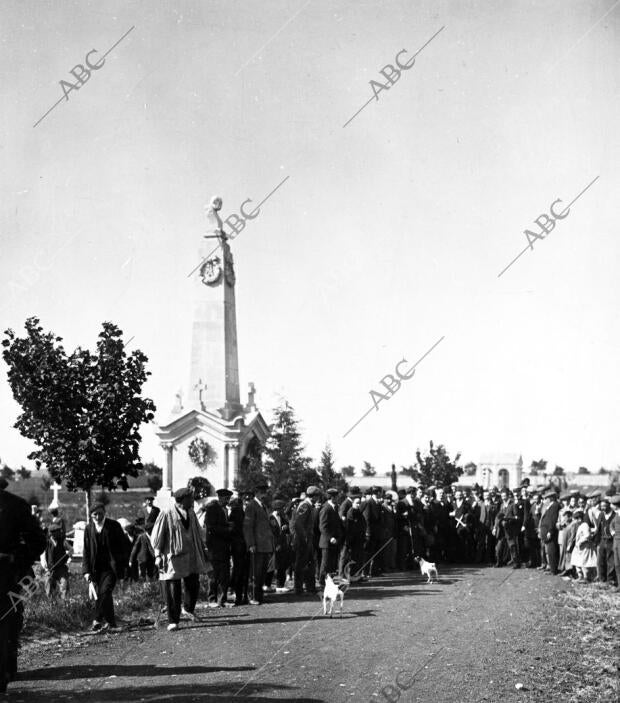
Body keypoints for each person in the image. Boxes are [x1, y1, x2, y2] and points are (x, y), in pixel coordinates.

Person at [0, 479, 46, 692]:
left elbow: (38, 541)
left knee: (8, 621)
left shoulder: (16, 506)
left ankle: (6, 669)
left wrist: (16, 562)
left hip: (6, 576)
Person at [151, 487, 210, 630]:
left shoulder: (191, 512)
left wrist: (204, 548)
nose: (193, 501)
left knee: (193, 584)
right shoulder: (166, 513)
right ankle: (173, 620)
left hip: (191, 554)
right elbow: (157, 536)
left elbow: (197, 531)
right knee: (173, 589)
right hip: (173, 556)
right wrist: (158, 555)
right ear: (182, 499)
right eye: (190, 498)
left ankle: (188, 609)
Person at [82, 503, 128, 631]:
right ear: (91, 515)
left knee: (105, 591)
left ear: (104, 512)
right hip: (96, 569)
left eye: (100, 513)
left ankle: (97, 619)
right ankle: (111, 622)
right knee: (102, 594)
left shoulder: (114, 526)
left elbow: (124, 546)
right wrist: (86, 571)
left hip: (111, 568)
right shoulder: (88, 529)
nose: (98, 516)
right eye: (95, 514)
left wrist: (123, 564)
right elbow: (86, 551)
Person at [242, 483, 274, 605]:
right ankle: (252, 596)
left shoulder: (263, 506)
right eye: (262, 493)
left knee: (262, 573)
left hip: (265, 545)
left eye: (265, 492)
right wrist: (251, 544)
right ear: (256, 493)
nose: (264, 495)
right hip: (257, 546)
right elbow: (248, 527)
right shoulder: (252, 506)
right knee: (254, 573)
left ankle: (259, 595)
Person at [205, 488, 233, 607]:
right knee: (214, 574)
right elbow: (211, 527)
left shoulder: (225, 510)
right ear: (220, 497)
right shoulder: (212, 509)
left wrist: (228, 525)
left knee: (225, 574)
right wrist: (226, 529)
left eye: (228, 498)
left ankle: (223, 599)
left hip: (225, 546)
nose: (227, 501)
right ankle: (212, 599)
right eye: (225, 498)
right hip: (215, 546)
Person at [291, 486, 320, 594]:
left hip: (308, 540)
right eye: (317, 496)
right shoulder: (305, 506)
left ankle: (310, 587)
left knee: (310, 563)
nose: (318, 498)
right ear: (314, 496)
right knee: (301, 564)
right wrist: (304, 540)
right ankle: (298, 588)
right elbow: (299, 524)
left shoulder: (309, 505)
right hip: (303, 540)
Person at [319, 488, 345, 586]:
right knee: (325, 563)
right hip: (327, 541)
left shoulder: (334, 507)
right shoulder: (326, 508)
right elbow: (322, 526)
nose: (338, 498)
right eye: (336, 496)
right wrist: (330, 537)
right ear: (332, 497)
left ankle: (329, 581)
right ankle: (322, 582)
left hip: (334, 540)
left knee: (332, 563)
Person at [266, 499, 291, 592]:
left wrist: (286, 527)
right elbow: (270, 533)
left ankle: (280, 585)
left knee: (282, 566)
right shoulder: (270, 518)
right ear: (277, 509)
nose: (283, 510)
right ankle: (267, 584)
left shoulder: (283, 518)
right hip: (274, 545)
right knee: (271, 566)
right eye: (282, 508)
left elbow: (287, 530)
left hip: (283, 545)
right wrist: (276, 545)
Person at [229, 495, 249, 605]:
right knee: (243, 572)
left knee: (239, 572)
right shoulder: (241, 513)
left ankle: (239, 595)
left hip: (238, 546)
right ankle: (243, 595)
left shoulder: (234, 513)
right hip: (242, 545)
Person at [42, 522, 71, 598]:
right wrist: (45, 566)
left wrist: (68, 553)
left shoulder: (63, 541)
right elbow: (43, 555)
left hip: (61, 568)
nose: (59, 534)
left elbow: (71, 549)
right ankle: (51, 602)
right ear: (51, 533)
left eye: (59, 532)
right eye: (56, 532)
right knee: (48, 584)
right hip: (50, 569)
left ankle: (62, 602)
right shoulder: (47, 543)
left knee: (64, 583)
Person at [594, 497, 616, 585]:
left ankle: (610, 580)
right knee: (600, 561)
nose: (603, 508)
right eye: (601, 506)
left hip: (611, 541)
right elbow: (598, 528)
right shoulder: (601, 515)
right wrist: (596, 540)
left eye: (604, 506)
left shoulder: (614, 515)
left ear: (609, 505)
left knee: (610, 561)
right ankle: (602, 579)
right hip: (602, 540)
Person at [570, 510, 597, 581]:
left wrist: (580, 542)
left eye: (576, 519)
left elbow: (587, 535)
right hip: (579, 547)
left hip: (584, 547)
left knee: (584, 562)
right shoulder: (580, 525)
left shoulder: (585, 525)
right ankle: (580, 576)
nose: (575, 521)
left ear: (579, 519)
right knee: (576, 561)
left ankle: (586, 577)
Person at [539, 491, 561, 575]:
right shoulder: (550, 506)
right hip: (545, 531)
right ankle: (551, 567)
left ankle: (553, 569)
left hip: (550, 531)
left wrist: (550, 531)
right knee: (548, 551)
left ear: (551, 498)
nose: (546, 500)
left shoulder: (555, 506)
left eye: (547, 498)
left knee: (552, 551)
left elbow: (553, 520)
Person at [345, 495, 366, 578]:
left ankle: (357, 575)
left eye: (359, 503)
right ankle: (353, 576)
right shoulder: (351, 512)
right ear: (352, 503)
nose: (358, 505)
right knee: (354, 558)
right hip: (354, 540)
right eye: (357, 503)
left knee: (359, 558)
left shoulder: (358, 512)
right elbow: (351, 527)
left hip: (360, 539)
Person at [610, 495, 620, 590]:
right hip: (615, 541)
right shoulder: (616, 514)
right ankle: (619, 585)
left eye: (612, 504)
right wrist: (612, 531)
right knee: (617, 564)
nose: (611, 506)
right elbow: (611, 525)